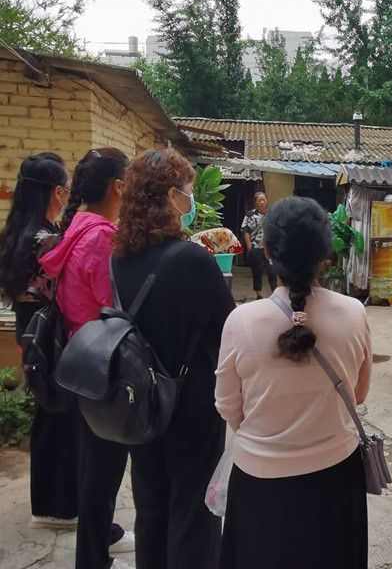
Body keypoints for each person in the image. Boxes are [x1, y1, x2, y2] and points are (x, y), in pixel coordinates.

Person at [216, 196, 372, 569]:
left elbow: (227, 405)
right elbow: (359, 392)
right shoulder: (354, 313)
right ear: (326, 254)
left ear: (268, 252)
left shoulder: (241, 321)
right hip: (337, 477)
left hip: (259, 481)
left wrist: (269, 432)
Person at [112, 148, 235, 569]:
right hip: (192, 402)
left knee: (151, 506)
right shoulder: (191, 259)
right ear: (170, 197)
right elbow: (230, 330)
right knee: (193, 508)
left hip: (140, 400)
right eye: (187, 191)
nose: (190, 200)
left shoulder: (120, 257)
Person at [40, 148, 135, 569]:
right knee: (103, 469)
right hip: (103, 363)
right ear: (118, 187)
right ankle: (94, 559)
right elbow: (114, 304)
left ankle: (97, 549)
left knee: (94, 463)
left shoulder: (78, 225)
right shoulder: (102, 238)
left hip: (81, 358)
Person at [0, 153, 77, 529]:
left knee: (48, 415)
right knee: (61, 416)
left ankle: (47, 503)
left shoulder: (17, 233)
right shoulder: (48, 240)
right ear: (57, 193)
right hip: (50, 337)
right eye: (66, 189)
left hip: (29, 332)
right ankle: (57, 509)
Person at [241, 192, 276, 298]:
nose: (261, 202)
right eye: (259, 200)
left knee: (272, 271)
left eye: (263, 200)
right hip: (255, 248)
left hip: (269, 248)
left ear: (266, 201)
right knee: (257, 272)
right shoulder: (250, 215)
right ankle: (259, 294)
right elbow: (245, 230)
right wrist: (249, 247)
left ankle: (275, 295)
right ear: (255, 202)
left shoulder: (271, 214)